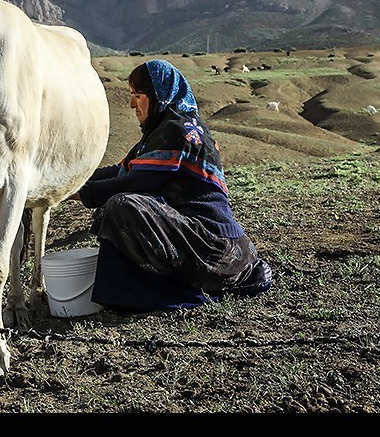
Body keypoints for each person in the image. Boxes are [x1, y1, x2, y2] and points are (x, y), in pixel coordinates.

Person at [70, 59, 271, 312]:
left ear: (159, 95)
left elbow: (136, 183)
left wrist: (74, 192)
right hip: (199, 241)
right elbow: (121, 171)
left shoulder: (177, 131)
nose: (132, 104)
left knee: (122, 205)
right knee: (121, 203)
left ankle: (155, 291)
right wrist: (70, 180)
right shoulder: (160, 133)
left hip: (214, 250)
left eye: (138, 96)